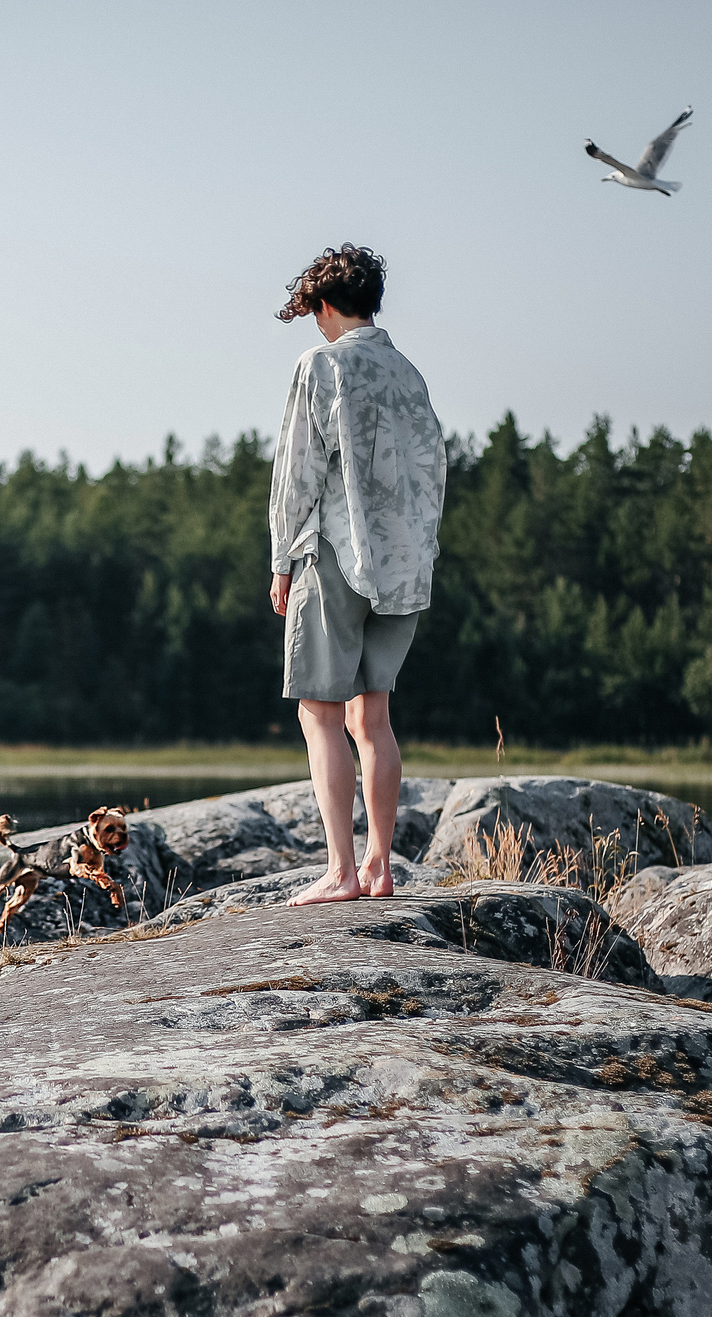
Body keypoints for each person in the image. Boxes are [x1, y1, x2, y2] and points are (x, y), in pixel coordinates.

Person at [266, 244, 445, 904]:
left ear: (325, 306)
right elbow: (435, 472)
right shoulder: (409, 374)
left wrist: (283, 558)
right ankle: (378, 865)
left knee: (320, 711)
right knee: (373, 719)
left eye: (312, 311)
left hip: (338, 554)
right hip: (403, 564)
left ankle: (341, 869)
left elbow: (298, 471)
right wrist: (420, 551)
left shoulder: (320, 364)